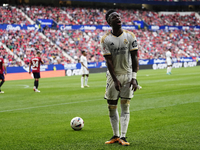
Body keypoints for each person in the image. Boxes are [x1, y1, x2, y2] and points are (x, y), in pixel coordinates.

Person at [100, 9, 138, 146]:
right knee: (111, 106)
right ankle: (115, 135)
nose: (118, 18)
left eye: (118, 16)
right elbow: (108, 61)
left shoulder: (130, 36)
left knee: (125, 106)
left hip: (127, 75)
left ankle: (123, 136)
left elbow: (135, 57)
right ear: (109, 22)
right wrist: (115, 80)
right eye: (113, 17)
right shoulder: (105, 39)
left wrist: (134, 77)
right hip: (112, 76)